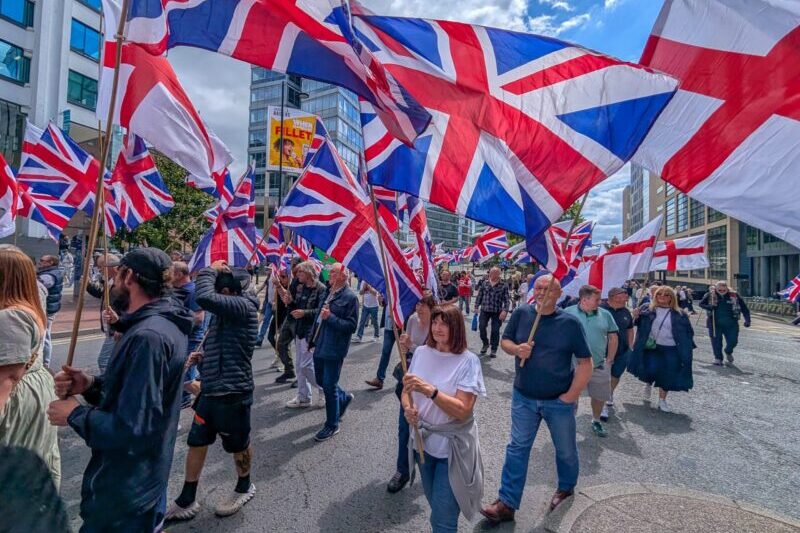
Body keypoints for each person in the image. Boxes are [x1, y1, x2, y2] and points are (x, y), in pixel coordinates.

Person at [47, 248, 192, 532]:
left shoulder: (148, 338)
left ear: (130, 277)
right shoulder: (154, 326)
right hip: (138, 482)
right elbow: (137, 397)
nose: (111, 282)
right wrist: (90, 385)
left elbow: (132, 428)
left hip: (127, 491)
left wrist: (75, 414)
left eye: (115, 276)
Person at [480, 275, 593, 524]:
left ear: (559, 293)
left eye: (548, 288)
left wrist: (571, 396)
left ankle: (565, 488)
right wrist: (516, 349)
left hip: (558, 401)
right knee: (517, 448)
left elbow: (586, 364)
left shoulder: (570, 323)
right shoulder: (522, 314)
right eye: (538, 288)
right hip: (524, 397)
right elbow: (507, 340)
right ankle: (507, 503)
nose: (542, 292)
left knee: (565, 450)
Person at [167, 261, 259, 521]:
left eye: (221, 290)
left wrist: (208, 269)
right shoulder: (224, 313)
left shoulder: (243, 307)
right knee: (197, 440)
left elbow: (203, 296)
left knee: (238, 445)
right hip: (210, 390)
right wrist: (203, 357)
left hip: (233, 392)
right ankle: (187, 498)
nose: (218, 294)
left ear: (230, 293)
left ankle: (244, 486)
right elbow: (226, 345)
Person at [402, 305, 486, 532]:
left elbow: (463, 410)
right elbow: (407, 390)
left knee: (443, 519)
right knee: (435, 507)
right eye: (435, 323)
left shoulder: (468, 361)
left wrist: (431, 391)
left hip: (452, 450)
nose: (437, 328)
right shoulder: (421, 352)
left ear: (456, 328)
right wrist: (408, 408)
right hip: (423, 444)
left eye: (444, 324)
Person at [0, 247, 61, 487]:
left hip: (17, 396)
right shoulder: (27, 305)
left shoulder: (10, 316)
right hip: (34, 389)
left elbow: (7, 378)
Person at [385, 294, 436, 492]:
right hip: (411, 381)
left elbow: (436, 354)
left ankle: (429, 466)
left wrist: (412, 347)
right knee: (404, 426)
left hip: (431, 385)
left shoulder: (439, 325)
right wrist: (404, 345)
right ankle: (402, 470)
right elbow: (408, 354)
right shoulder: (413, 320)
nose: (419, 308)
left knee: (430, 428)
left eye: (424, 305)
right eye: (417, 304)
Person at [627, 285, 694, 413]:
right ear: (655, 295)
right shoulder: (646, 308)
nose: (662, 297)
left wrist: (687, 347)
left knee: (667, 374)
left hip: (671, 348)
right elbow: (635, 324)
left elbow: (688, 332)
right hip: (652, 347)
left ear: (671, 297)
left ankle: (662, 400)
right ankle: (648, 382)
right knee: (651, 369)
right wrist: (635, 316)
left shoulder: (680, 313)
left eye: (666, 294)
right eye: (659, 294)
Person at [311, 263, 358, 442]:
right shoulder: (327, 292)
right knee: (320, 380)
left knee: (329, 386)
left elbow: (351, 326)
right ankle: (344, 398)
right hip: (320, 344)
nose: (329, 274)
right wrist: (311, 340)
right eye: (329, 271)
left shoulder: (350, 297)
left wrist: (330, 317)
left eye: (333, 272)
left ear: (343, 276)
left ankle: (332, 424)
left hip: (334, 347)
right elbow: (317, 318)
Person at [563, 285, 618, 438]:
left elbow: (613, 337)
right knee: (573, 393)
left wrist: (610, 359)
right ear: (584, 299)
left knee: (599, 395)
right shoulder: (568, 313)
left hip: (599, 364)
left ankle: (596, 420)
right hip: (574, 364)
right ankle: (569, 421)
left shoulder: (605, 314)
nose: (600, 302)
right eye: (597, 299)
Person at [285, 261, 327, 408]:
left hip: (311, 333)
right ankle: (303, 397)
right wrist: (289, 302)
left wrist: (304, 313)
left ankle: (325, 390)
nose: (297, 275)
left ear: (309, 273)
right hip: (299, 330)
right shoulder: (300, 287)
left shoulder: (321, 289)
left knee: (306, 366)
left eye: (300, 272)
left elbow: (320, 312)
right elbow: (296, 306)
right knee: (298, 366)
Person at [171, 261, 206, 408]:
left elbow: (199, 318)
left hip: (192, 340)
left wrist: (175, 316)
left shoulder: (192, 291)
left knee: (185, 379)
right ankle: (184, 400)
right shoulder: (176, 290)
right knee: (181, 377)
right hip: (181, 339)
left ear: (179, 275)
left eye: (171, 272)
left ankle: (213, 403)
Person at [600, 287, 635, 420]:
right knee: (603, 378)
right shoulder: (601, 310)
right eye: (623, 295)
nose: (626, 297)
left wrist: (630, 345)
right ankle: (602, 405)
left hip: (622, 351)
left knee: (616, 375)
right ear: (613, 296)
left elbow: (630, 329)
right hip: (603, 350)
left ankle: (609, 393)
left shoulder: (626, 311)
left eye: (626, 295)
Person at [86, 253, 122, 374]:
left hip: (117, 329)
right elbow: (102, 294)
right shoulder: (110, 280)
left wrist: (120, 327)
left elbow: (128, 306)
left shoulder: (122, 283)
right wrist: (88, 285)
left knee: (104, 361)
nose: (100, 269)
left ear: (110, 266)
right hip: (111, 327)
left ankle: (107, 388)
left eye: (101, 266)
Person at [700, 281, 750, 366]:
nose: (722, 290)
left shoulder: (734, 295)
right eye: (720, 288)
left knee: (733, 341)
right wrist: (709, 307)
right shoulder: (710, 295)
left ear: (727, 288)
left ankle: (728, 351)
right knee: (716, 342)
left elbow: (744, 308)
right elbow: (701, 304)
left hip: (731, 324)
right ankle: (718, 358)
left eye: (724, 288)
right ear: (716, 288)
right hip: (714, 323)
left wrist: (747, 320)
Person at [275, 260, 302, 384]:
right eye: (292, 267)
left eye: (295, 267)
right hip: (290, 317)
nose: (292, 270)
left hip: (300, 320)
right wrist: (279, 286)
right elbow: (287, 299)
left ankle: (302, 377)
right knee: (281, 344)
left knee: (301, 350)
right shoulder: (294, 281)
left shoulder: (308, 283)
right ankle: (289, 370)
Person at [475, 267, 510, 358]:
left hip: (497, 311)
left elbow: (506, 300)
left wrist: (505, 311)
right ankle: (485, 343)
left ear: (499, 274)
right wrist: (476, 306)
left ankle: (494, 349)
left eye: (495, 273)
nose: (492, 274)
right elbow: (480, 296)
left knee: (495, 330)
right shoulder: (484, 283)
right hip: (485, 310)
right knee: (481, 327)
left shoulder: (503, 285)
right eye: (491, 272)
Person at [36, 255, 63, 368]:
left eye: (42, 260)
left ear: (51, 262)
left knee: (44, 336)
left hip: (46, 309)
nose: (40, 262)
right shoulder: (49, 272)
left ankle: (45, 363)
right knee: (44, 335)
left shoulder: (49, 275)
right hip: (47, 308)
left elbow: (37, 286)